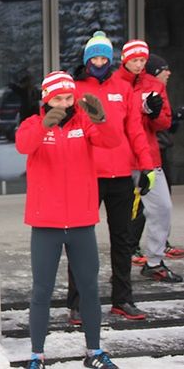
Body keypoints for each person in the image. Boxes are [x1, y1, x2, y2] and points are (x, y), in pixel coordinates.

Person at [17, 71, 121, 369]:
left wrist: (101, 119)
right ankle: (37, 355)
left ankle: (94, 351)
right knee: (42, 290)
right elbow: (24, 145)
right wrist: (43, 126)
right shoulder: (32, 124)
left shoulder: (84, 122)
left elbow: (112, 142)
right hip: (46, 223)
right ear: (46, 99)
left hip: (81, 221)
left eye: (68, 97)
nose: (64, 103)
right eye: (58, 98)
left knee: (89, 287)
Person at [66, 31, 152, 325]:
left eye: (104, 57)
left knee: (123, 239)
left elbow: (136, 130)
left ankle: (122, 299)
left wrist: (147, 166)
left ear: (111, 59)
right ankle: (77, 303)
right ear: (87, 60)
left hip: (121, 176)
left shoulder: (123, 88)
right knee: (79, 240)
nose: (100, 62)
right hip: (87, 174)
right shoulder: (75, 88)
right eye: (94, 58)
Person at [122, 40, 183, 283]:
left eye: (142, 60)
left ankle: (154, 260)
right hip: (121, 159)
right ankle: (121, 264)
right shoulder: (117, 84)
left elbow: (164, 123)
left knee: (163, 208)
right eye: (134, 60)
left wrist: (154, 112)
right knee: (123, 214)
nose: (138, 64)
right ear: (125, 61)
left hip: (148, 156)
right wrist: (140, 109)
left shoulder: (155, 85)